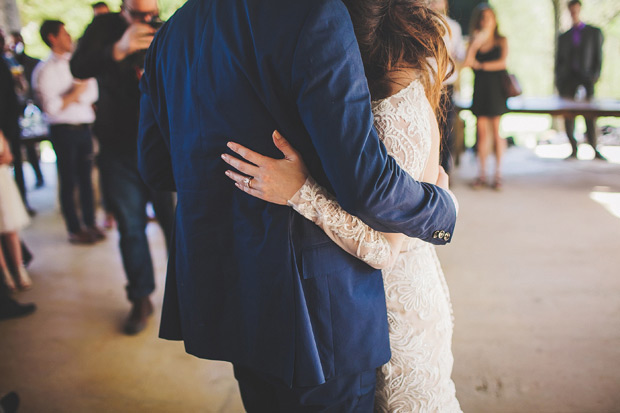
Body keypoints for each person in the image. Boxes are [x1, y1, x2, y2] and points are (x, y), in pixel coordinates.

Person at [138, 0, 458, 410]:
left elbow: (157, 169)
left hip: (232, 295)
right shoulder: (314, 12)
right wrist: (441, 210)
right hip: (317, 314)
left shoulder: (171, 33)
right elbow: (366, 185)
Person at [70, 0, 175, 335]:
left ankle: (188, 295)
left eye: (151, 12)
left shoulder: (168, 28)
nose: (147, 18)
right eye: (138, 13)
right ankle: (141, 297)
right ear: (124, 7)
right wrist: (119, 48)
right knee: (130, 226)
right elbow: (79, 67)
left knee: (177, 226)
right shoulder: (103, 28)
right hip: (118, 147)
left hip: (164, 145)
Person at [33, 20, 104, 245]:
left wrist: (71, 96)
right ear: (52, 38)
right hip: (63, 131)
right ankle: (74, 229)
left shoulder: (77, 62)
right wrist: (76, 91)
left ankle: (90, 223)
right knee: (68, 180)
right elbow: (52, 108)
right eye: (64, 33)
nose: (69, 36)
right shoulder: (44, 70)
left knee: (86, 179)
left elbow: (90, 94)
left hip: (84, 128)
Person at [464, 3, 509, 190]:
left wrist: (481, 66)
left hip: (496, 90)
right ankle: (481, 173)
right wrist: (475, 44)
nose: (485, 21)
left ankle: (497, 173)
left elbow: (502, 63)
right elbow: (467, 62)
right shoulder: (474, 40)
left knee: (496, 131)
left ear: (494, 20)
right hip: (480, 89)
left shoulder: (501, 40)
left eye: (489, 17)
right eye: (482, 18)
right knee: (481, 133)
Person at [555, 0, 605, 160]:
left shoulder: (593, 32)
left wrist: (595, 75)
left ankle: (594, 147)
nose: (574, 13)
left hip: (587, 77)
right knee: (568, 114)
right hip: (568, 78)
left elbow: (598, 56)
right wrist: (559, 79)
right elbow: (558, 60)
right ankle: (573, 148)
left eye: (576, 10)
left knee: (590, 113)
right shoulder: (564, 36)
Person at [428, 0, 466, 174]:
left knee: (446, 127)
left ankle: (444, 169)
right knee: (427, 125)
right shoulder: (420, 23)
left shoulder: (454, 27)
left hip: (446, 84)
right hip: (425, 83)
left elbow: (460, 57)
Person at [0, 31, 34, 215]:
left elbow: (21, 88)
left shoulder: (9, 61)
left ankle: (21, 203)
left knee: (17, 165)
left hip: (12, 120)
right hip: (3, 126)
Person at [9, 32, 45, 189]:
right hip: (15, 114)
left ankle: (39, 175)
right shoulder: (8, 63)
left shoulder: (34, 62)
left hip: (34, 111)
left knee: (33, 146)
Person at [0, 130, 32, 291]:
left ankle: (20, 270)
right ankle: (5, 275)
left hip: (2, 181)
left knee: (11, 228)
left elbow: (8, 156)